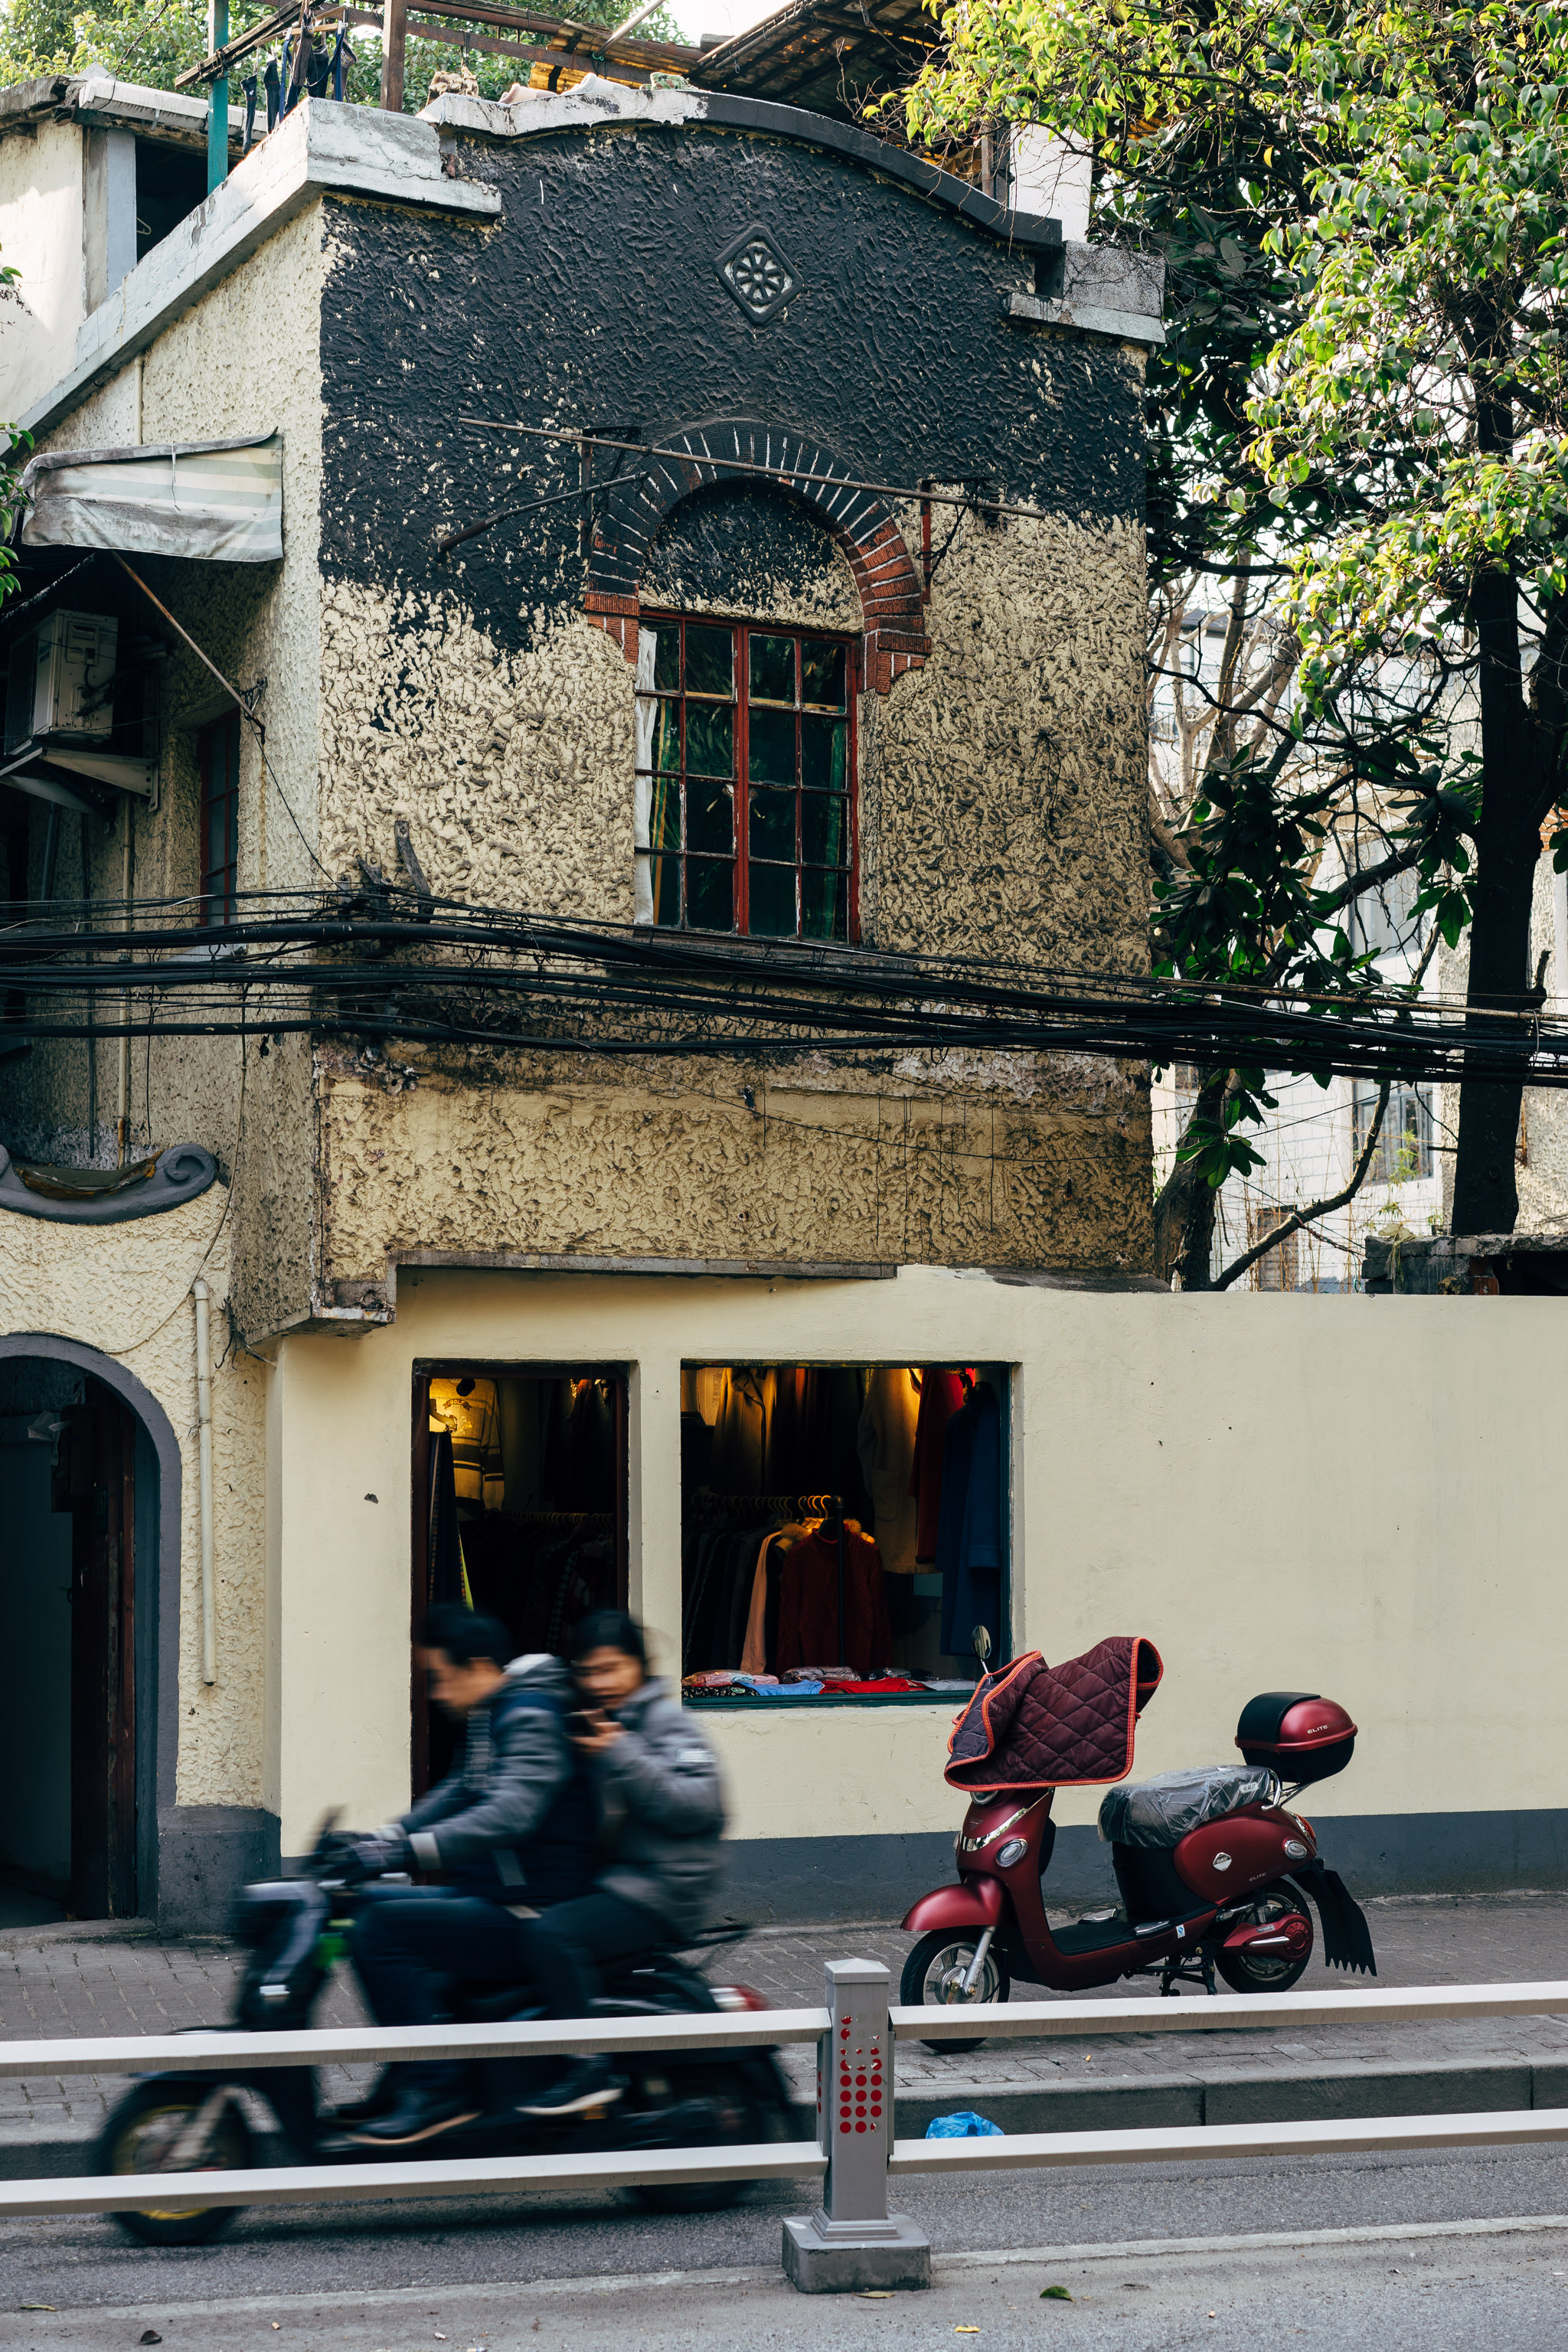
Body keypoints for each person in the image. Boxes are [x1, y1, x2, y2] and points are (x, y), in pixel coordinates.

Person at [341, 1604, 593, 2147]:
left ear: (478, 1665)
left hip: (531, 1907)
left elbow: (511, 1812)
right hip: (497, 1891)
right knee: (374, 1912)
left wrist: (401, 1855)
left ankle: (437, 2086)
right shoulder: (494, 1713)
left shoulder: (530, 1715)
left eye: (440, 1677)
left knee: (380, 1930)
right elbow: (457, 1792)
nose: (435, 1692)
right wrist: (378, 1842)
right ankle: (416, 2066)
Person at [512, 1609, 727, 2117]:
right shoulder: (604, 1721)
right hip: (625, 1881)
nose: (600, 1682)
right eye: (589, 1672)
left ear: (637, 1666)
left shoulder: (662, 1722)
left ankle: (590, 2065)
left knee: (552, 1935)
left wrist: (621, 1752)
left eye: (611, 1669)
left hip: (666, 1889)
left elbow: (697, 1804)